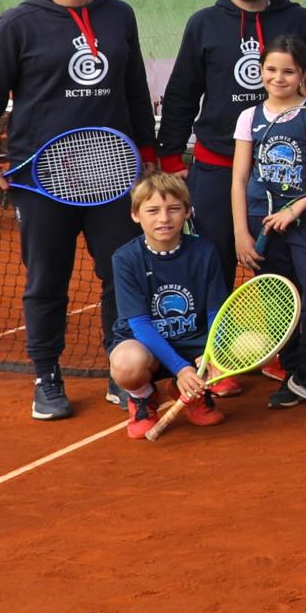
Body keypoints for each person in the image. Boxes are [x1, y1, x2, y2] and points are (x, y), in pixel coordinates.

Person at [0, 0, 159, 421]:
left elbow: (134, 89)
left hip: (113, 175)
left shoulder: (119, 16)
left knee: (122, 276)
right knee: (47, 281)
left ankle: (122, 370)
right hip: (41, 179)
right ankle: (47, 376)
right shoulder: (16, 24)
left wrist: (149, 153)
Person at [156, 0, 306, 252]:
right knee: (213, 259)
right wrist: (170, 156)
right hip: (217, 167)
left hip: (283, 169)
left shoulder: (296, 19)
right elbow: (182, 93)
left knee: (279, 264)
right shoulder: (203, 24)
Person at [229, 39, 306, 413]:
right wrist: (241, 233)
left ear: (303, 75)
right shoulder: (249, 117)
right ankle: (292, 372)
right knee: (279, 301)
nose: (278, 78)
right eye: (271, 70)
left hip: (305, 220)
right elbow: (239, 178)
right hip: (260, 220)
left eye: (289, 71)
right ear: (261, 71)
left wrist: (296, 209)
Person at [107, 172, 231, 439]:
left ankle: (190, 391)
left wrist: (213, 352)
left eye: (173, 209)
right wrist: (181, 368)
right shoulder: (125, 259)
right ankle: (142, 397)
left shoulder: (205, 251)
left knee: (243, 346)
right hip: (146, 344)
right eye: (152, 211)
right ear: (135, 215)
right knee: (126, 363)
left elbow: (215, 312)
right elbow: (140, 325)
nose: (164, 218)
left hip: (194, 341)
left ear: (187, 212)